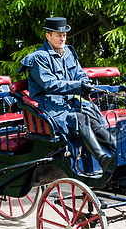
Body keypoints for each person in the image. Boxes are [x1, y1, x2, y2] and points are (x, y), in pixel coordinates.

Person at [18, 16, 116, 169]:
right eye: (58, 35)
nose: (62, 38)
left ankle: (119, 152)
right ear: (48, 36)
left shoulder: (69, 52)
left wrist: (85, 84)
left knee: (93, 119)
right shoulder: (38, 59)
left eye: (64, 35)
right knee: (82, 119)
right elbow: (50, 85)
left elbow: (80, 74)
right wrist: (78, 86)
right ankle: (103, 160)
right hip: (49, 107)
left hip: (70, 103)